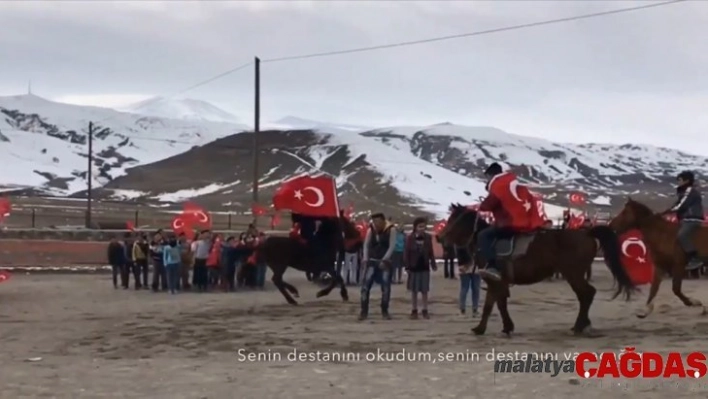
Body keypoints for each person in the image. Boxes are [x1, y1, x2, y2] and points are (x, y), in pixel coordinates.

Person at [477, 162, 544, 281]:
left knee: (483, 235)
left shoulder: (500, 186)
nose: (487, 179)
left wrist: (482, 206)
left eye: (488, 176)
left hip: (509, 224)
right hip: (525, 224)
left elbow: (488, 205)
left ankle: (493, 267)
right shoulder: (517, 187)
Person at [663, 170, 704, 271]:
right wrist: (668, 210)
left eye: (680, 180)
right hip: (684, 219)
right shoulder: (683, 191)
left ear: (687, 180)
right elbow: (678, 203)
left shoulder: (690, 191)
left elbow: (682, 204)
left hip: (692, 218)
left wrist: (669, 211)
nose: (678, 182)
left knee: (682, 235)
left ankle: (694, 258)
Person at [360, 213, 396, 320]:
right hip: (372, 260)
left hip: (385, 261)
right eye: (374, 222)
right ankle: (363, 311)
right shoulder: (371, 229)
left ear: (383, 221)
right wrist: (365, 257)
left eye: (378, 222)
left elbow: (391, 246)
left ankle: (385, 311)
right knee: (365, 287)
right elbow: (366, 244)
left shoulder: (391, 230)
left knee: (385, 287)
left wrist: (384, 260)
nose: (376, 224)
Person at [403, 217, 437, 319]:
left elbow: (431, 251)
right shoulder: (410, 238)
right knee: (414, 290)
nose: (422, 228)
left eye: (423, 226)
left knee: (424, 290)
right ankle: (414, 310)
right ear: (415, 227)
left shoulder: (428, 237)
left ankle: (425, 309)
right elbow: (406, 252)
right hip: (414, 266)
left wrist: (433, 263)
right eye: (420, 226)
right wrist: (407, 266)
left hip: (425, 266)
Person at [457, 245, 480, 316]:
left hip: (475, 265)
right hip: (466, 265)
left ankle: (474, 308)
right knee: (465, 288)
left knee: (475, 288)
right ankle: (463, 308)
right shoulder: (462, 241)